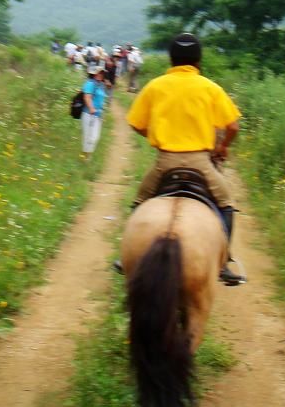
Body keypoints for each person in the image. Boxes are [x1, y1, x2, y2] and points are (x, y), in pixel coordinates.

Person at [123, 32, 246, 285]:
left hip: (164, 162)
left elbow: (135, 123)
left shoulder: (155, 86)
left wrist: (153, 135)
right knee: (226, 204)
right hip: (201, 163)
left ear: (171, 60)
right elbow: (233, 126)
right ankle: (223, 263)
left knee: (140, 201)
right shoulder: (210, 88)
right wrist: (222, 147)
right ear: (198, 61)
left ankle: (124, 256)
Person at [80, 65, 108, 160]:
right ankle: (85, 156)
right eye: (99, 72)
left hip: (98, 115)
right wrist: (91, 108)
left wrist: (102, 113)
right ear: (94, 73)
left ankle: (88, 154)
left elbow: (102, 100)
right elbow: (87, 97)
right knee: (88, 136)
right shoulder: (90, 83)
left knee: (95, 137)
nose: (101, 75)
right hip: (89, 114)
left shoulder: (101, 85)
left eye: (102, 73)